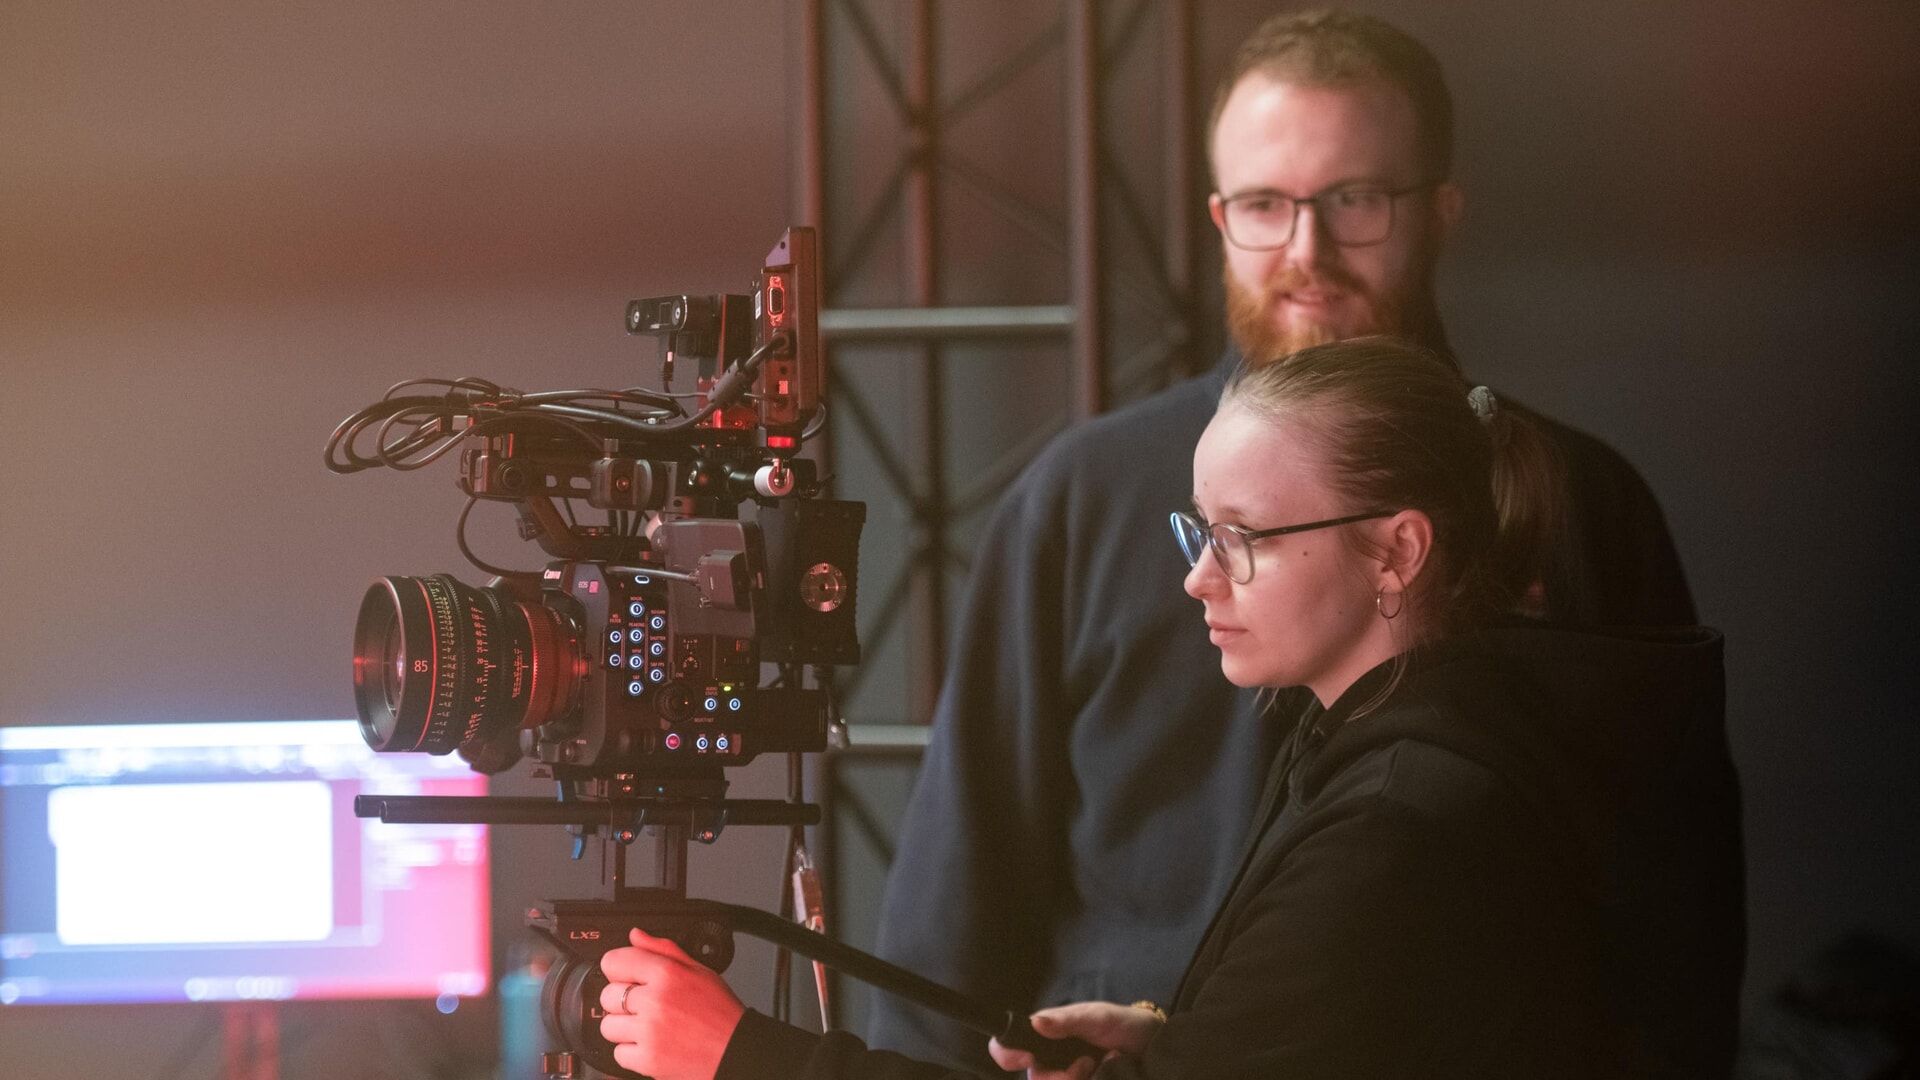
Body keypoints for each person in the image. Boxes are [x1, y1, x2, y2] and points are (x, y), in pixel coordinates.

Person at [865, 9, 1699, 1074]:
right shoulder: (1081, 497)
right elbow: (956, 906)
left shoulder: (1579, 502)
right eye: (1264, 204)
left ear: (1439, 213)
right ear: (1219, 218)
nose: (1307, 252)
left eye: (1355, 200)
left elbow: (1669, 909)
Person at [594, 338, 1745, 1079]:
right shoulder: (1392, 741)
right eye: (1199, 533)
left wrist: (748, 1057)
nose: (1199, 577)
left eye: (1245, 540)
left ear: (1397, 550)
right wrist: (1184, 1050)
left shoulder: (1412, 819)